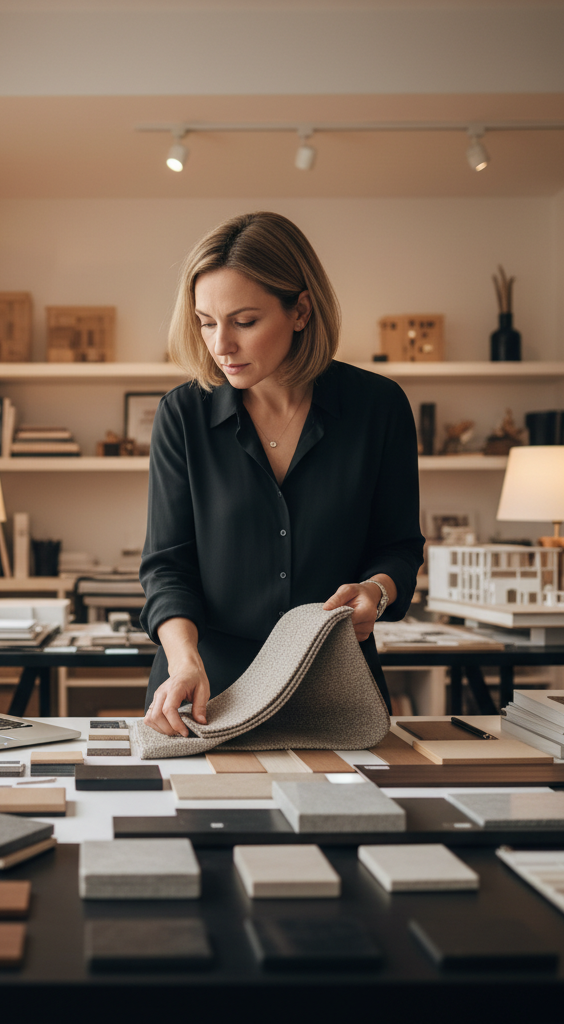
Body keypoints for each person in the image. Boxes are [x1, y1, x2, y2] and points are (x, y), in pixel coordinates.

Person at [140, 212, 424, 738]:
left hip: (338, 697)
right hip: (204, 697)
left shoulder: (379, 408)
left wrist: (377, 592)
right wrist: (184, 660)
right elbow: (166, 568)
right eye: (206, 321)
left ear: (301, 310)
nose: (220, 345)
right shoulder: (182, 416)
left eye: (244, 321)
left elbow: (399, 546)